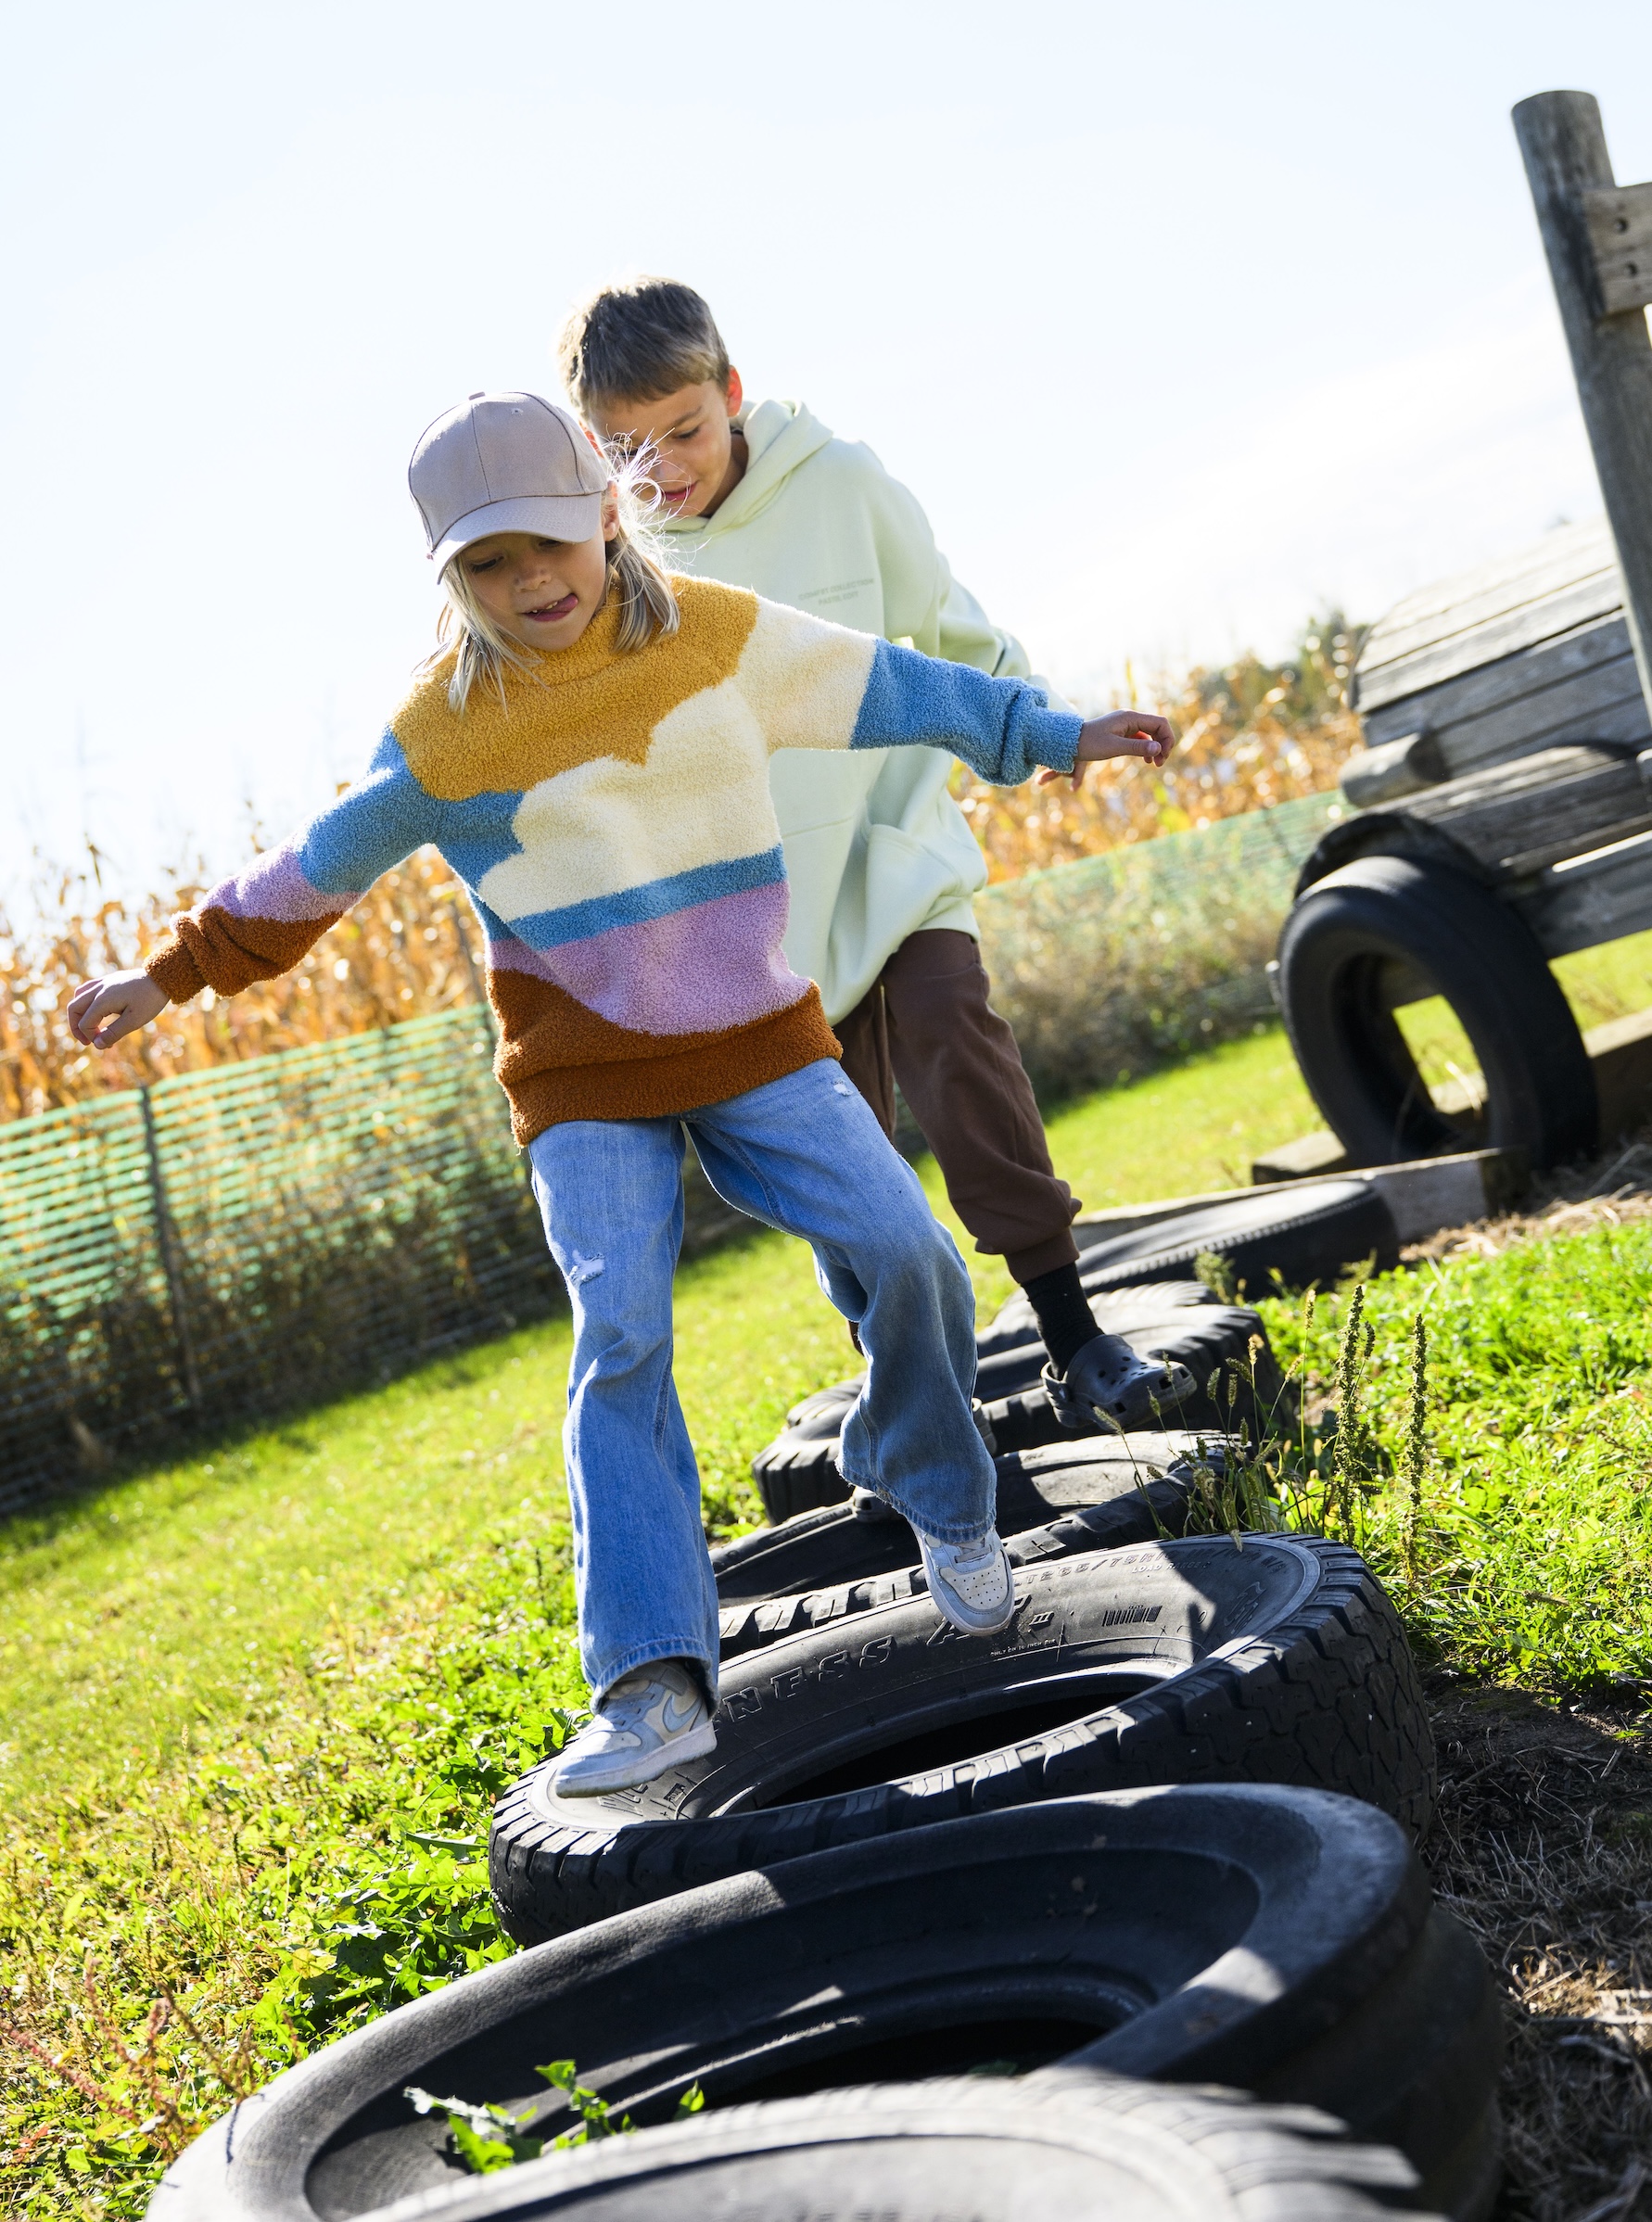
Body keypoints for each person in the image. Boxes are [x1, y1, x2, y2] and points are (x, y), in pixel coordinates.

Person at [67, 391, 1175, 1796]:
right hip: (582, 1071)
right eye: (486, 564)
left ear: (604, 510)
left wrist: (1048, 733)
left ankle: (927, 1479)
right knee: (623, 1336)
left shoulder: (713, 637)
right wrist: (167, 975)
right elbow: (316, 866)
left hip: (756, 1037)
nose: (528, 581)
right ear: (449, 576)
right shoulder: (445, 731)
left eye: (547, 541)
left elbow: (892, 686)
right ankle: (652, 1680)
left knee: (911, 1252)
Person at [559, 277, 1185, 1442]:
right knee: (850, 1168)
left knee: (956, 1035)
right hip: (765, 921)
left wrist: (1049, 730)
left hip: (893, 848)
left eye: (685, 431)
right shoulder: (610, 577)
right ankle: (925, 1407)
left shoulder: (841, 485)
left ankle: (1076, 1339)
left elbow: (951, 628)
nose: (662, 471)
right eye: (625, 450)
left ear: (731, 391)